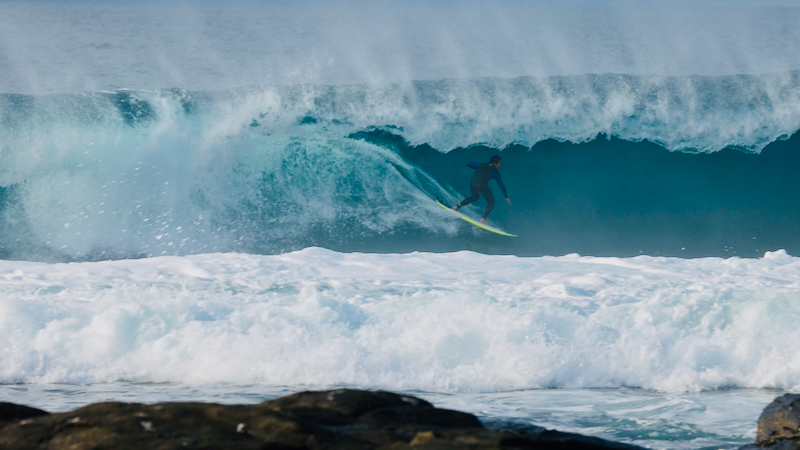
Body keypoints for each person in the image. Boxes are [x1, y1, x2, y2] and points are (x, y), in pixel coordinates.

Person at [453, 155, 511, 224]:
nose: (500, 166)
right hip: (482, 186)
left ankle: (456, 207)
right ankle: (483, 219)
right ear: (495, 163)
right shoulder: (495, 172)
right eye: (499, 164)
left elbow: (468, 164)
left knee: (474, 197)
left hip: (473, 184)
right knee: (491, 202)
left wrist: (479, 169)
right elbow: (501, 184)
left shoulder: (480, 165)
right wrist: (506, 197)